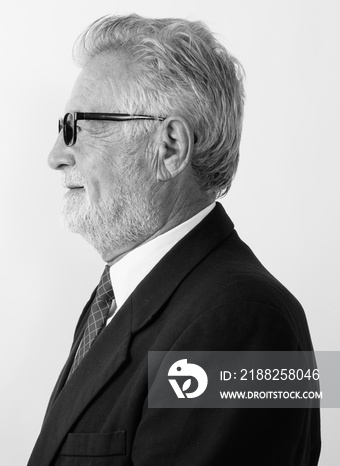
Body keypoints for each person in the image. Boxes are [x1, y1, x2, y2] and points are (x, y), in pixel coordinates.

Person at [28, 14, 320, 466]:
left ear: (169, 147)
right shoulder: (121, 297)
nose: (56, 156)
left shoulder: (246, 323)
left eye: (76, 127)